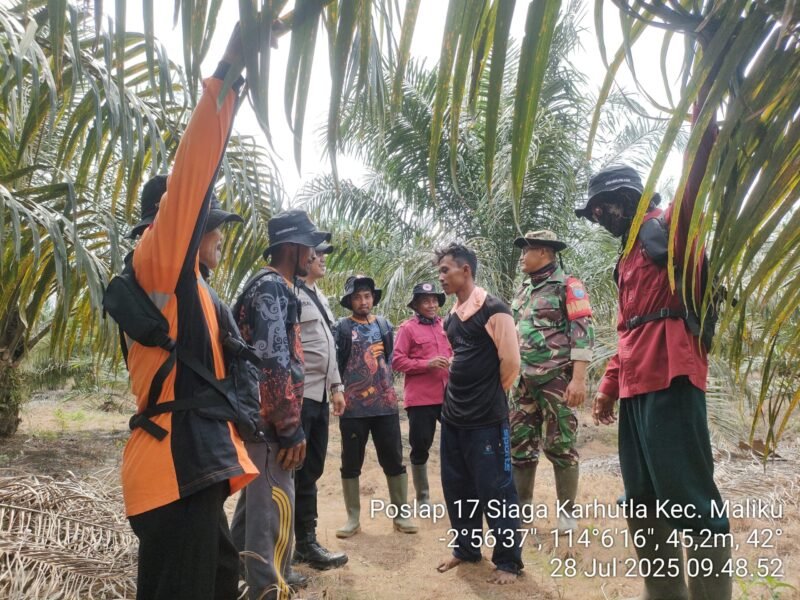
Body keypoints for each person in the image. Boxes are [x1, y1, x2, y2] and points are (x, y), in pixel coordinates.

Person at [576, 73, 731, 597]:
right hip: (637, 387)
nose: (597, 219)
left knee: (689, 496)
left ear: (624, 199)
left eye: (601, 209)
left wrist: (701, 119)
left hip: (673, 375)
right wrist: (606, 387)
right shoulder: (625, 260)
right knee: (642, 499)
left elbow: (695, 179)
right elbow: (625, 332)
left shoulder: (669, 225)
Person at [121, 25, 259, 600]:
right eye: (212, 224)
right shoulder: (158, 261)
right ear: (176, 225)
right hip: (172, 470)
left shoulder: (196, 289)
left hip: (194, 466)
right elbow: (190, 181)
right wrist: (224, 81)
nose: (219, 235)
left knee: (221, 582)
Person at [230, 209, 330, 600]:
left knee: (256, 503)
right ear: (291, 247)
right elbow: (272, 364)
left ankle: (238, 571)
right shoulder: (272, 288)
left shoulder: (273, 285)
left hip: (262, 416)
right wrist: (290, 427)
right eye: (308, 245)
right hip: (270, 420)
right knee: (273, 504)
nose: (313, 252)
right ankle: (268, 588)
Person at [434, 243, 523, 585]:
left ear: (465, 270)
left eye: (445, 270)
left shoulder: (494, 309)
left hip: (487, 419)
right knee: (457, 486)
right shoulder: (452, 318)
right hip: (453, 418)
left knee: (497, 489)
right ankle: (467, 548)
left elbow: (511, 363)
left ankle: (508, 561)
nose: (441, 277)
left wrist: (487, 396)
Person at [509, 231, 594, 534]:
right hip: (523, 381)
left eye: (526, 251)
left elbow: (582, 333)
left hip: (556, 379)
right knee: (519, 444)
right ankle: (522, 509)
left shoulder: (569, 286)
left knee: (562, 445)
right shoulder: (522, 289)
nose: (521, 257)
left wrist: (579, 380)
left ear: (543, 252)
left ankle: (567, 514)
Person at [333, 275, 418, 537]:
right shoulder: (342, 328)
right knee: (351, 462)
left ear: (373, 298)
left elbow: (390, 360)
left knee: (393, 459)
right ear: (349, 301)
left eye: (367, 295)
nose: (363, 301)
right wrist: (336, 392)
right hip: (353, 408)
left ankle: (401, 515)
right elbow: (335, 364)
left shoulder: (384, 325)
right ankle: (353, 519)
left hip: (386, 405)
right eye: (357, 297)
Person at [292, 242, 349, 570]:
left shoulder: (320, 297)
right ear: (304, 256)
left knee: (311, 469)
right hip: (298, 396)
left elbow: (327, 345)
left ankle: (306, 542)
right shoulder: (291, 294)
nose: (324, 257)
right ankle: (281, 542)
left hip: (320, 397)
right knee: (290, 470)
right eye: (318, 252)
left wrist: (337, 387)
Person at [392, 282, 452, 507]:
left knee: (453, 445)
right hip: (421, 399)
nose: (432, 304)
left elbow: (456, 351)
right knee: (420, 446)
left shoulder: (446, 325)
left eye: (435, 300)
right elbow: (397, 361)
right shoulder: (407, 328)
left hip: (448, 396)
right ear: (416, 305)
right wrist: (426, 364)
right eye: (426, 301)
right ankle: (423, 497)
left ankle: (454, 492)